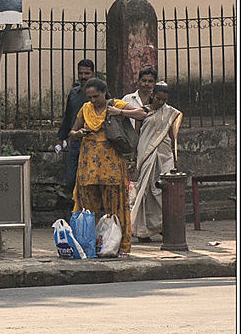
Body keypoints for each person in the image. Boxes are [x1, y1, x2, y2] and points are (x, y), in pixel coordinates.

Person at [68, 78, 148, 257]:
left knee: (117, 208)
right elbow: (71, 132)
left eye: (96, 96)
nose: (93, 100)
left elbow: (143, 114)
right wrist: (79, 133)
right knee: (88, 208)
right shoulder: (85, 109)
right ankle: (90, 246)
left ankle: (123, 246)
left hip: (112, 168)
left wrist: (118, 111)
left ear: (104, 93)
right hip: (88, 166)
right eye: (89, 97)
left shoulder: (115, 104)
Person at [130, 83, 183, 242]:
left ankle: (163, 227)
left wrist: (174, 158)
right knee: (146, 190)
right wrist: (133, 158)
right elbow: (137, 135)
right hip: (146, 155)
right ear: (153, 94)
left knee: (164, 192)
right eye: (158, 98)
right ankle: (142, 231)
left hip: (165, 155)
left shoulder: (170, 112)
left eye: (164, 100)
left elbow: (172, 136)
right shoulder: (142, 112)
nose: (161, 102)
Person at [56, 59, 96, 197]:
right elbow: (68, 117)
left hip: (93, 143)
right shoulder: (74, 93)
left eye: (86, 73)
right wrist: (61, 138)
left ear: (93, 74)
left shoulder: (101, 94)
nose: (83, 76)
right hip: (75, 142)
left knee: (90, 180)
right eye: (81, 73)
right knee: (71, 179)